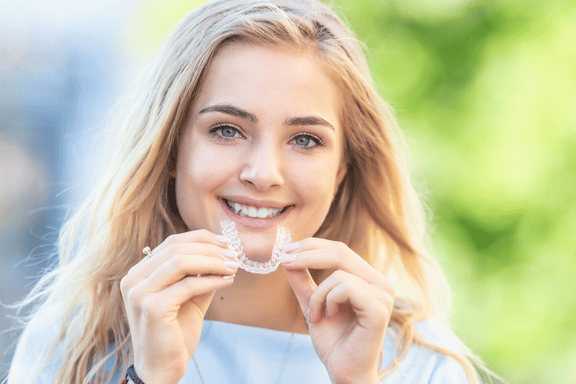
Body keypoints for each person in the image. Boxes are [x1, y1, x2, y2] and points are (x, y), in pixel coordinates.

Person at [8, 0, 493, 383]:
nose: (264, 173)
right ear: (171, 148)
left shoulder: (421, 366)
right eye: (226, 130)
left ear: (343, 169)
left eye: (305, 139)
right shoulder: (71, 344)